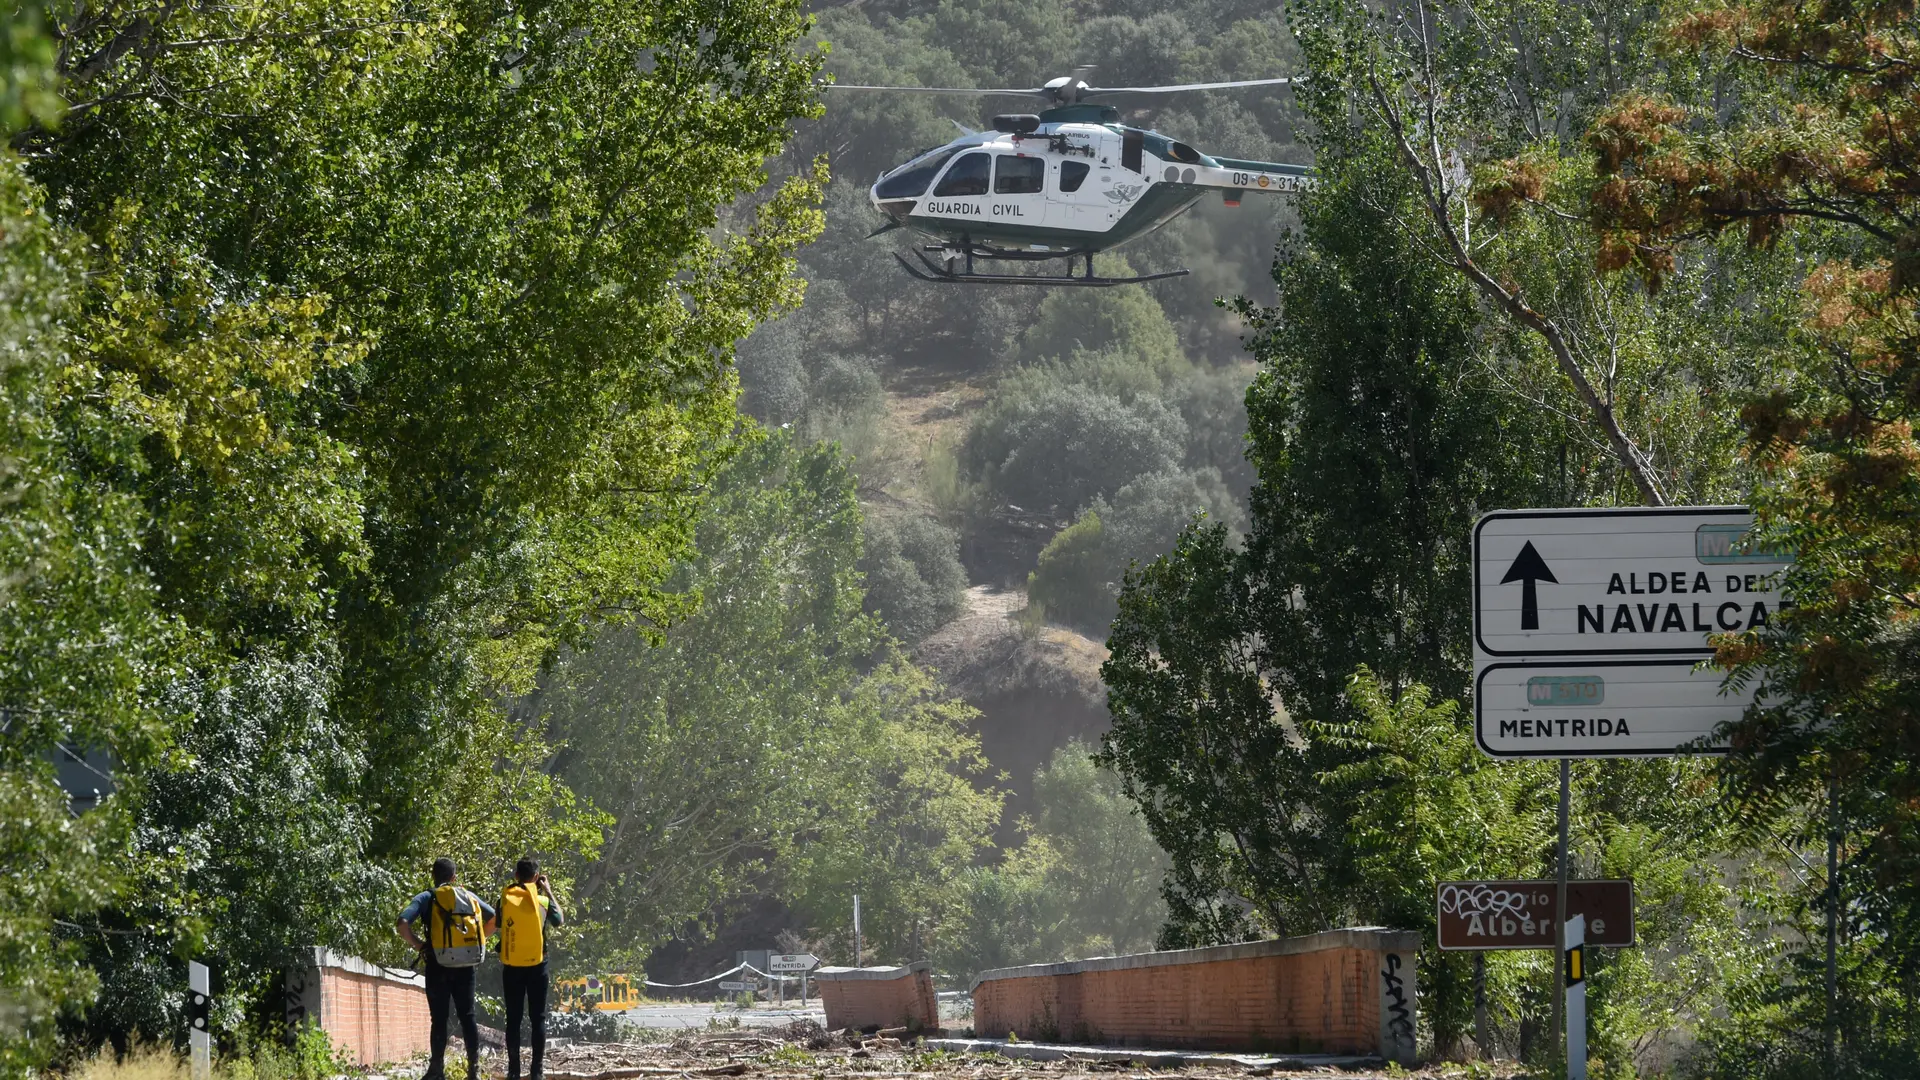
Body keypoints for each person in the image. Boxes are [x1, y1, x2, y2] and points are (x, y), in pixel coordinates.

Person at [398, 858, 496, 1080]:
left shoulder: (427, 897)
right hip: (466, 966)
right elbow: (495, 919)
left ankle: (436, 1070)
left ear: (434, 876)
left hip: (437, 964)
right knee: (468, 1016)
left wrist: (419, 945)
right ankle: (474, 1070)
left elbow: (402, 923)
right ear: (454, 877)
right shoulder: (468, 896)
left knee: (439, 1018)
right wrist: (477, 942)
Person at [498, 858, 566, 1080]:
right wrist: (548, 890)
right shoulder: (543, 901)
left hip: (512, 966)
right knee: (538, 1018)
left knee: (513, 1019)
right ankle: (537, 1071)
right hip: (538, 964)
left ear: (516, 876)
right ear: (536, 878)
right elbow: (560, 920)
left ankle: (513, 1071)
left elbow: (498, 923)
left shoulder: (506, 898)